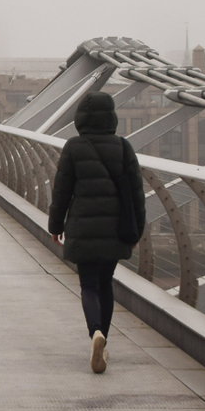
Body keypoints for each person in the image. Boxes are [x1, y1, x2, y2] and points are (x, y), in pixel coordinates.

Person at [47, 91, 146, 374]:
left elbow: (62, 191)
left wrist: (56, 226)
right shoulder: (124, 148)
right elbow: (137, 195)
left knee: (88, 285)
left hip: (83, 226)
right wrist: (136, 230)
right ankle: (105, 342)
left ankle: (95, 333)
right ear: (111, 117)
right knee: (106, 284)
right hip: (116, 229)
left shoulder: (73, 147)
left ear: (80, 119)